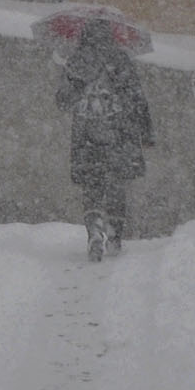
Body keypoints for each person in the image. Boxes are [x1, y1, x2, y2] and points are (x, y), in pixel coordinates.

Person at [54, 17, 152, 261]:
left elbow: (62, 102)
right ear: (110, 34)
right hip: (118, 132)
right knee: (117, 183)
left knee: (92, 185)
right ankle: (115, 236)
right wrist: (147, 132)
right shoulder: (121, 60)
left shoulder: (76, 60)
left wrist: (76, 82)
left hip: (86, 135)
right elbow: (137, 99)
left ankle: (94, 231)